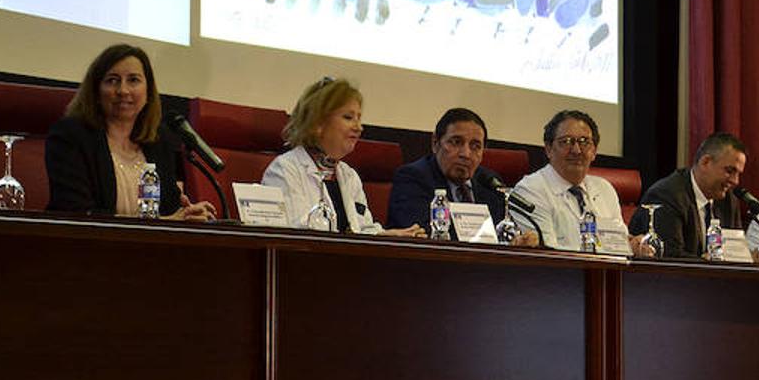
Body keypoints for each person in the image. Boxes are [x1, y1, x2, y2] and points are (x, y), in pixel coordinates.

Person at [45, 44, 214, 221]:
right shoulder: (70, 136)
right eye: (112, 80)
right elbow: (76, 214)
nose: (123, 91)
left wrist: (188, 215)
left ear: (148, 91)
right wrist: (164, 222)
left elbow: (171, 209)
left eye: (133, 80)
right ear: (96, 90)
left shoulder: (158, 141)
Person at [261, 77, 423, 236]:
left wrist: (386, 236)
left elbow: (362, 230)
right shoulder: (285, 170)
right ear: (318, 123)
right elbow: (294, 234)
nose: (359, 127)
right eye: (348, 117)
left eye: (359, 118)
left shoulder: (349, 175)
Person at [386, 107, 536, 245]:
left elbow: (500, 233)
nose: (466, 154)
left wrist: (516, 241)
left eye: (475, 146)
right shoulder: (413, 178)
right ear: (435, 143)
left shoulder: (489, 182)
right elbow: (422, 234)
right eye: (456, 142)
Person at [511, 110, 634, 252]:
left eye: (584, 142)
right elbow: (548, 253)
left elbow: (620, 246)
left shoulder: (605, 189)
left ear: (594, 151)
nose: (576, 150)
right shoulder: (529, 190)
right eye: (566, 142)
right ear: (548, 149)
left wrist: (634, 245)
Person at [628, 132, 747, 258]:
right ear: (705, 162)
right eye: (729, 171)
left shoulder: (729, 201)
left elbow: (734, 253)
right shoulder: (667, 195)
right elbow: (670, 257)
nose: (735, 181)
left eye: (738, 174)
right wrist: (709, 262)